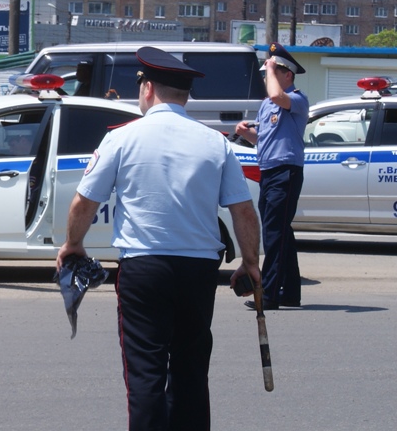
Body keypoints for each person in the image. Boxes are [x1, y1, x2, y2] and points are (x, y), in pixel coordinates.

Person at [56, 47, 261, 431]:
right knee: (190, 370)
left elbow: (84, 202)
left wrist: (73, 245)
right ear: (184, 95)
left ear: (147, 88)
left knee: (145, 372)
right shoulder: (214, 142)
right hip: (199, 271)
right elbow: (243, 211)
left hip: (144, 269)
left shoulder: (122, 138)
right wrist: (250, 262)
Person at [233, 42, 309, 310]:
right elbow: (264, 139)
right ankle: (290, 292)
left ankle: (270, 294)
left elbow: (278, 96)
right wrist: (245, 134)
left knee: (275, 233)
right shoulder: (267, 105)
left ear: (287, 74)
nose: (269, 75)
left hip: (286, 171)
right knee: (280, 232)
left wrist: (270, 69)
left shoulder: (297, 99)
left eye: (275, 71)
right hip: (269, 171)